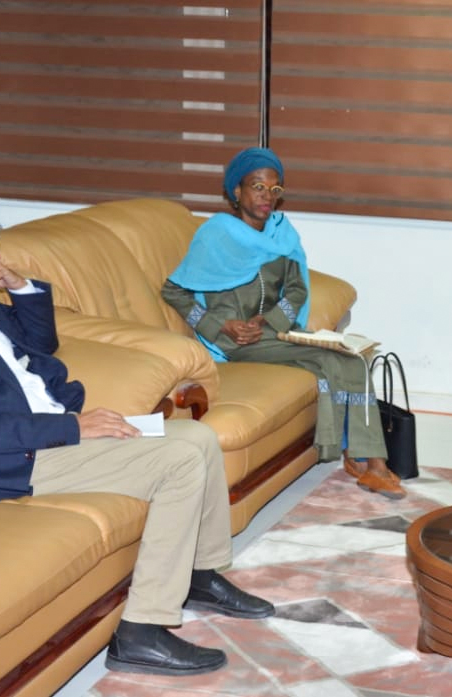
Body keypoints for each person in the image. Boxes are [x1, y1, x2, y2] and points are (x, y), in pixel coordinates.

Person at [0, 196, 275, 677]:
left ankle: (199, 574)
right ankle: (142, 631)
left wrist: (21, 288)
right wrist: (72, 427)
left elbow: (39, 345)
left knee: (197, 438)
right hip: (2, 460)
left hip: (42, 429)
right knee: (179, 461)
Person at [162, 147, 405, 499]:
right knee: (341, 362)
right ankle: (370, 462)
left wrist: (271, 319)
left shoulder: (281, 234)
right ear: (236, 191)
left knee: (348, 358)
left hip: (275, 332)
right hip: (234, 343)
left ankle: (363, 457)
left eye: (274, 189)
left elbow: (296, 288)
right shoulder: (216, 236)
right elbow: (174, 290)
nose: (267, 197)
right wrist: (222, 326)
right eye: (257, 187)